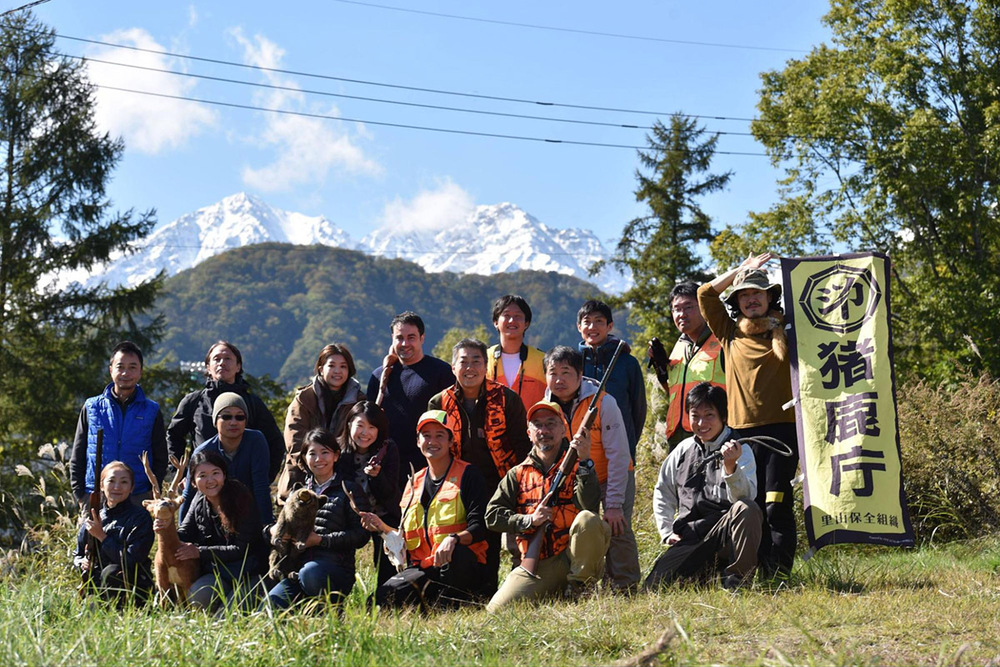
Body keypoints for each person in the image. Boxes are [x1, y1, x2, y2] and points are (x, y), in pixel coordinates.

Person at [698, 252, 798, 576]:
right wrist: (739, 270)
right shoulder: (729, 332)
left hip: (783, 430)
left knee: (776, 502)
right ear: (737, 301)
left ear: (770, 297)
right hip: (742, 435)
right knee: (748, 503)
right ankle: (751, 568)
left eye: (757, 292)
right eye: (744, 294)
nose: (751, 299)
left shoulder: (789, 329)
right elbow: (705, 295)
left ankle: (778, 572)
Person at [428, 338, 532, 595]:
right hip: (456, 484)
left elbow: (521, 444)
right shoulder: (440, 402)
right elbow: (433, 444)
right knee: (462, 538)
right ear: (453, 367)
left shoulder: (507, 399)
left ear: (486, 366)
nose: (470, 367)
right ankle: (456, 593)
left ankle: (492, 593)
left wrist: (520, 485)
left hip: (500, 482)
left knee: (496, 541)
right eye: (463, 361)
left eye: (476, 361)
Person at [485, 401, 610, 611]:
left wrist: (586, 460)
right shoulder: (517, 474)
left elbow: (589, 506)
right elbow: (492, 516)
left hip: (572, 555)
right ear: (529, 433)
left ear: (563, 429)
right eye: (537, 425)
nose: (544, 430)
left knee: (588, 520)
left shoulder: (579, 465)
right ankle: (556, 591)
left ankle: (581, 588)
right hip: (539, 563)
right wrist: (529, 520)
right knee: (496, 611)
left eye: (551, 423)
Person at [362, 410, 489, 610]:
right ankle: (430, 603)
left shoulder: (469, 474)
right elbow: (403, 535)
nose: (432, 441)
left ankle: (454, 604)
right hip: (423, 568)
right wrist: (381, 526)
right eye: (426, 435)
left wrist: (453, 539)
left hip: (460, 564)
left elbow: (480, 526)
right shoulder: (414, 481)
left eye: (439, 435)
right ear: (418, 441)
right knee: (377, 602)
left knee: (457, 556)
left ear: (450, 441)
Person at [645, 383, 761, 590]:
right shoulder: (682, 450)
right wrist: (666, 532)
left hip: (723, 534)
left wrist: (730, 467)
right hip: (690, 536)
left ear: (723, 417)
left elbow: (746, 497)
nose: (701, 423)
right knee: (654, 588)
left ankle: (737, 583)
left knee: (747, 509)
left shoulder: (740, 448)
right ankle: (704, 577)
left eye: (709, 415)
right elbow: (663, 492)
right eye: (695, 415)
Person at [544, 346, 641, 591]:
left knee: (617, 526)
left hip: (612, 474)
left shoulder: (604, 402)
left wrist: (614, 502)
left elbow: (619, 455)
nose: (559, 379)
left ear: (580, 375)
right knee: (577, 529)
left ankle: (624, 586)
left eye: (566, 372)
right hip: (575, 479)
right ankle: (579, 583)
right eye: (552, 372)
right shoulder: (544, 407)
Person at [266, 429, 369, 609]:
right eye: (312, 453)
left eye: (325, 453)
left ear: (336, 456)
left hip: (335, 568)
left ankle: (332, 614)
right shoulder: (297, 491)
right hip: (296, 568)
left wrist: (321, 541)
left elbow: (361, 535)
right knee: (271, 606)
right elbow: (282, 522)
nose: (318, 459)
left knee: (311, 573)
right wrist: (273, 531)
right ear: (304, 458)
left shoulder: (349, 489)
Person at [167, 341, 284, 481]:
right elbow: (173, 437)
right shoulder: (193, 401)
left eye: (228, 359)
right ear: (208, 367)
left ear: (238, 366)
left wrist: (265, 476)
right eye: (216, 359)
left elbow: (274, 441)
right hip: (204, 484)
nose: (222, 363)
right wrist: (181, 475)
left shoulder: (252, 403)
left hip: (244, 485)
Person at [70, 341, 167, 507]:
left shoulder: (151, 410)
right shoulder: (92, 407)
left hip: (138, 495)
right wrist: (80, 494)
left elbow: (160, 456)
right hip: (96, 495)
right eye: (120, 367)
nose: (125, 373)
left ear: (140, 372)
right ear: (111, 370)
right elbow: (78, 453)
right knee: (93, 534)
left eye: (132, 367)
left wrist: (152, 491)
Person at [166, 449, 264, 610]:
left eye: (215, 473)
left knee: (230, 615)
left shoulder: (240, 496)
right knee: (198, 597)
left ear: (224, 475)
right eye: (202, 476)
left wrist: (199, 551)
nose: (210, 480)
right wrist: (165, 529)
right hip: (219, 572)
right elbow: (185, 532)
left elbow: (242, 548)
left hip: (249, 571)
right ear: (193, 482)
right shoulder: (199, 500)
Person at [365, 312, 455, 486]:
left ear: (422, 338)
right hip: (386, 471)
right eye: (399, 338)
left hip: (431, 468)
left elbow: (454, 421)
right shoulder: (379, 377)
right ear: (392, 339)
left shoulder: (442, 373)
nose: (405, 344)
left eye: (411, 337)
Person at [278, 343, 364, 500]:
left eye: (343, 366)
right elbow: (294, 440)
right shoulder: (304, 399)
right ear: (320, 368)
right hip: (302, 476)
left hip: (345, 477)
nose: (338, 371)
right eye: (331, 365)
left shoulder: (358, 401)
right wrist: (315, 465)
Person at [647, 281, 726, 450]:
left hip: (712, 436)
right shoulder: (680, 346)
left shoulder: (722, 341)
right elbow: (674, 392)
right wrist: (661, 370)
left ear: (703, 307)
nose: (681, 314)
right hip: (677, 437)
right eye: (676, 309)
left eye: (688, 307)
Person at [179, 393, 274, 526]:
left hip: (249, 515)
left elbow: (261, 487)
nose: (233, 422)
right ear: (215, 421)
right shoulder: (203, 452)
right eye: (226, 416)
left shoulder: (256, 441)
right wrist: (181, 535)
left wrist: (267, 526)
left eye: (240, 417)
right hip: (214, 519)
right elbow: (189, 494)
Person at [335, 401, 401, 586]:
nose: (365, 433)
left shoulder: (388, 449)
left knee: (388, 559)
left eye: (372, 427)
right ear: (349, 425)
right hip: (349, 515)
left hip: (383, 512)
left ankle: (386, 595)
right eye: (360, 426)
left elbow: (390, 493)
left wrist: (377, 476)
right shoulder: (338, 450)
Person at [73, 461, 154, 603]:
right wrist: (82, 563)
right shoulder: (94, 517)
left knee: (111, 572)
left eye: (124, 482)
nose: (117, 487)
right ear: (102, 485)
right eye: (111, 481)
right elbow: (77, 554)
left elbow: (131, 561)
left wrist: (102, 536)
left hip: (133, 588)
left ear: (132, 487)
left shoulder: (141, 518)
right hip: (97, 586)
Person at [576, 299, 647, 462]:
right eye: (587, 322)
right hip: (582, 454)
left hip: (620, 452)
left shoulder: (627, 362)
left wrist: (629, 443)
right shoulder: (572, 363)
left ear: (610, 326)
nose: (592, 327)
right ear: (579, 327)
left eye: (599, 321)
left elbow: (639, 409)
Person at [486, 295, 547, 409]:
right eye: (506, 315)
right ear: (495, 322)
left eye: (518, 316)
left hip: (533, 426)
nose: (512, 321)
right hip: (491, 426)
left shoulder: (543, 360)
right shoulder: (483, 359)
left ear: (526, 323)